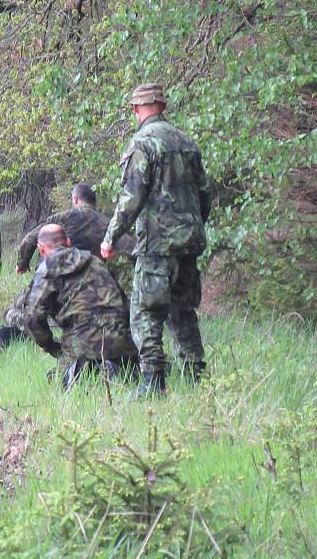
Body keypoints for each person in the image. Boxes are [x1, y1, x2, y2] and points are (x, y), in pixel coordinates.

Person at [101, 83, 211, 398]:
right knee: (184, 312)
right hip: (188, 244)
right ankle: (194, 380)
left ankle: (153, 383)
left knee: (145, 312)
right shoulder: (187, 142)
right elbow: (204, 195)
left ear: (137, 110)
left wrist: (111, 238)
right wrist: (193, 227)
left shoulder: (142, 144)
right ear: (162, 106)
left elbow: (131, 198)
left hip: (156, 247)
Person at [23, 225, 137, 390]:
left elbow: (32, 317)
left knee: (59, 381)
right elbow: (123, 302)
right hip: (122, 337)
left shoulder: (47, 270)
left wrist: (49, 346)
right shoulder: (96, 261)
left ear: (41, 250)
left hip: (82, 342)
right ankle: (115, 369)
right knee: (130, 373)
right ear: (68, 242)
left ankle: (94, 372)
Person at [16, 182, 135, 274]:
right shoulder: (106, 223)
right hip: (94, 279)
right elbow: (132, 247)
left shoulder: (61, 218)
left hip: (59, 275)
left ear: (76, 199)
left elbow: (30, 239)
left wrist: (22, 263)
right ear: (93, 202)